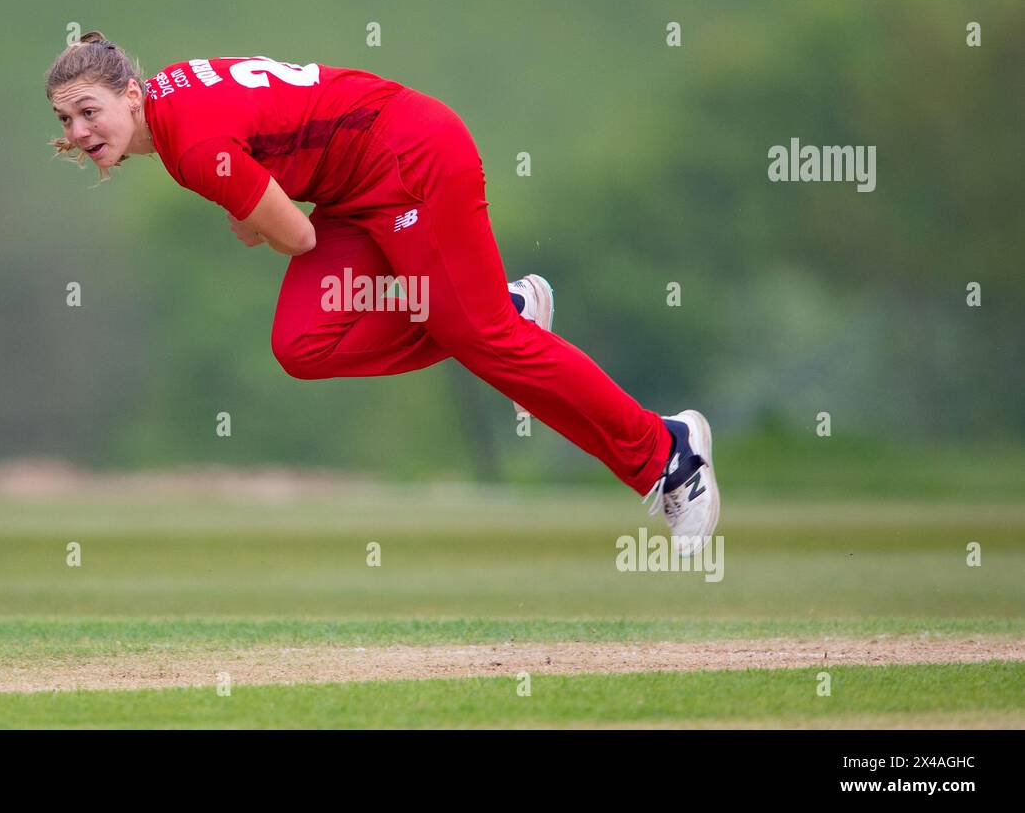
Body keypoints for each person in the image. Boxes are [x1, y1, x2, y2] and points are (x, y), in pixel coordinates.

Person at [44, 32, 721, 553]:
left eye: (88, 110)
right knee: (305, 342)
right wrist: (250, 205)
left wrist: (253, 215)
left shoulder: (186, 141)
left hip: (410, 155)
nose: (77, 131)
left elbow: (297, 236)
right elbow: (256, 158)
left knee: (482, 340)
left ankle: (670, 453)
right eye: (65, 118)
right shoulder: (170, 105)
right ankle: (497, 305)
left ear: (130, 93)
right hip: (356, 183)